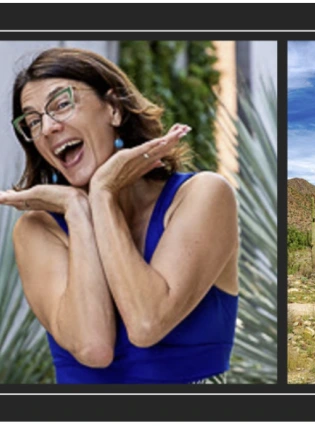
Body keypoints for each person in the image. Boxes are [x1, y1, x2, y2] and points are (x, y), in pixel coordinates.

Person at [0, 47, 239, 384]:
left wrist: (103, 193)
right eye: (34, 121)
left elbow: (146, 323)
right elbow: (93, 347)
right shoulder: (38, 228)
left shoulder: (203, 195)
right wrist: (79, 210)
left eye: (62, 103)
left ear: (113, 108)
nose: (49, 127)